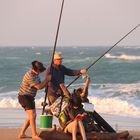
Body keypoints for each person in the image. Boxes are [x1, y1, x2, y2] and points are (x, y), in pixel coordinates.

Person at [18, 61, 48, 140]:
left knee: (30, 116)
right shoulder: (30, 75)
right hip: (24, 97)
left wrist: (47, 83)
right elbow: (38, 87)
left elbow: (42, 85)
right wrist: (47, 79)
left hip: (30, 98)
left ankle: (22, 133)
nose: (40, 72)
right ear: (35, 69)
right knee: (33, 115)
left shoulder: (36, 75)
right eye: (40, 70)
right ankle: (34, 135)